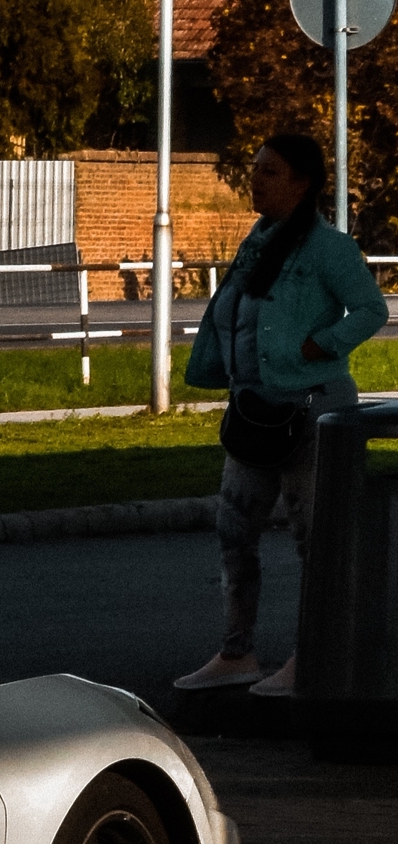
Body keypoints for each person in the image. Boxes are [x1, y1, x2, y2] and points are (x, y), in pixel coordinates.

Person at [175, 133, 388, 696]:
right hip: (253, 411)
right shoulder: (258, 240)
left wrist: (324, 343)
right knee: (233, 531)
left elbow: (371, 308)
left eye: (269, 171)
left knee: (312, 541)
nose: (256, 179)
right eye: (255, 167)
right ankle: (237, 652)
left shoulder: (328, 249)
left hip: (312, 412)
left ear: (301, 182)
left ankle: (313, 657)